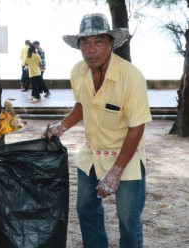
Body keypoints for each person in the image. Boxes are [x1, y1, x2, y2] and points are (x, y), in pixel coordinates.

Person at [45, 13, 152, 247]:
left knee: (128, 220)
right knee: (85, 209)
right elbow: (83, 104)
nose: (91, 50)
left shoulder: (131, 77)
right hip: (92, 153)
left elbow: (137, 127)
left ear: (111, 44)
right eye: (86, 43)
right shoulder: (78, 72)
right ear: (79, 47)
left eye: (99, 42)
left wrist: (115, 172)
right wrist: (62, 126)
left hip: (127, 155)